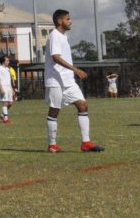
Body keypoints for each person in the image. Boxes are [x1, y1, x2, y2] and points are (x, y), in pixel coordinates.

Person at [44, 9, 103, 153]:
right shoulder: (54, 36)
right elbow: (56, 57)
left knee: (82, 105)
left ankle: (86, 143)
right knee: (54, 111)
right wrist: (75, 70)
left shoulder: (63, 36)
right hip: (55, 81)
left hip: (68, 81)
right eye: (67, 19)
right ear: (60, 21)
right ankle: (52, 145)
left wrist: (71, 73)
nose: (70, 21)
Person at [0, 56, 14, 124]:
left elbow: (8, 80)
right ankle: (6, 119)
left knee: (10, 103)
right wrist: (1, 88)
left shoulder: (7, 69)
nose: (8, 62)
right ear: (3, 61)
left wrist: (11, 89)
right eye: (7, 61)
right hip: (3, 87)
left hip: (9, 87)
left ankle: (1, 115)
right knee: (5, 103)